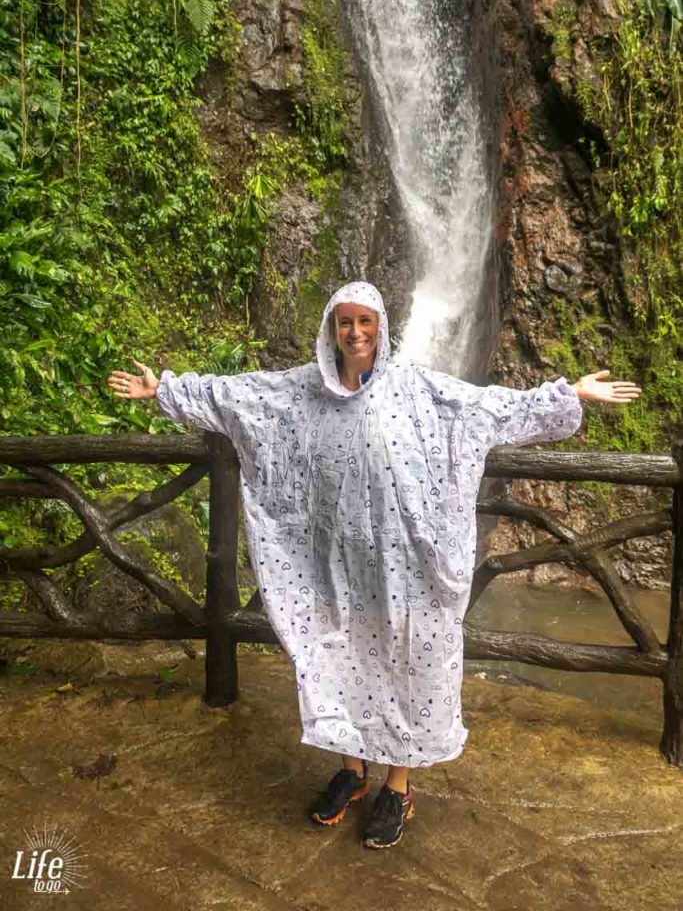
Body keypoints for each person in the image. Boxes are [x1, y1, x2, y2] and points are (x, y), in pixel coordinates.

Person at [108, 280, 641, 849]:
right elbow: (240, 397)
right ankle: (352, 770)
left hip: (405, 565)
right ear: (330, 330)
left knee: (404, 664)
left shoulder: (415, 388)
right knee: (338, 655)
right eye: (345, 323)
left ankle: (398, 786)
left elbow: (485, 407)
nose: (356, 333)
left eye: (365, 321)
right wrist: (164, 388)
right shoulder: (302, 390)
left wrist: (567, 395)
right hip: (334, 564)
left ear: (381, 327)